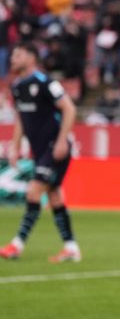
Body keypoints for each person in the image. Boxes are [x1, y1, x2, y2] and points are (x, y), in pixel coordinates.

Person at [1, 44, 81, 263]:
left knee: (34, 191)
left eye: (18, 55)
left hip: (55, 147)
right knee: (54, 196)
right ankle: (71, 247)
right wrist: (15, 147)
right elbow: (20, 119)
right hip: (40, 150)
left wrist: (63, 140)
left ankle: (17, 245)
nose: (13, 59)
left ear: (31, 57)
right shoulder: (17, 87)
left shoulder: (45, 83)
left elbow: (69, 108)